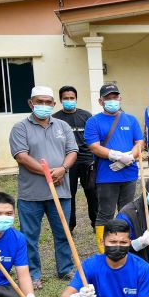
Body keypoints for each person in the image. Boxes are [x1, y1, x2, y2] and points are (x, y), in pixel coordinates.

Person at [8, 86, 78, 289]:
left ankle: (65, 268)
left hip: (61, 190)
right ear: (31, 103)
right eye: (40, 102)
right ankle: (32, 274)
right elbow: (22, 156)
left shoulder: (62, 126)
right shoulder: (20, 127)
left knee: (64, 232)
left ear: (54, 104)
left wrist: (63, 169)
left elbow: (72, 150)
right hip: (31, 193)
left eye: (48, 102)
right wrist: (48, 173)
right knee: (30, 236)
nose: (44, 106)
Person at [85, 83, 144, 250]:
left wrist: (129, 157)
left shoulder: (130, 119)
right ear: (100, 101)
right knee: (105, 213)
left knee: (127, 211)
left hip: (129, 173)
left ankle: (124, 245)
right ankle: (104, 249)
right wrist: (116, 156)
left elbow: (139, 142)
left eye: (115, 97)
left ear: (120, 98)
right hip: (106, 175)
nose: (112, 100)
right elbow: (94, 146)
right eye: (108, 98)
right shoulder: (93, 121)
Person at [53, 86, 98, 231]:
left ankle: (96, 224)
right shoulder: (55, 118)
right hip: (67, 162)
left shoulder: (86, 116)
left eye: (72, 98)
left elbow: (93, 137)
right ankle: (70, 226)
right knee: (68, 195)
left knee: (92, 193)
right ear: (60, 100)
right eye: (66, 98)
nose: (69, 101)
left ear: (76, 99)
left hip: (87, 160)